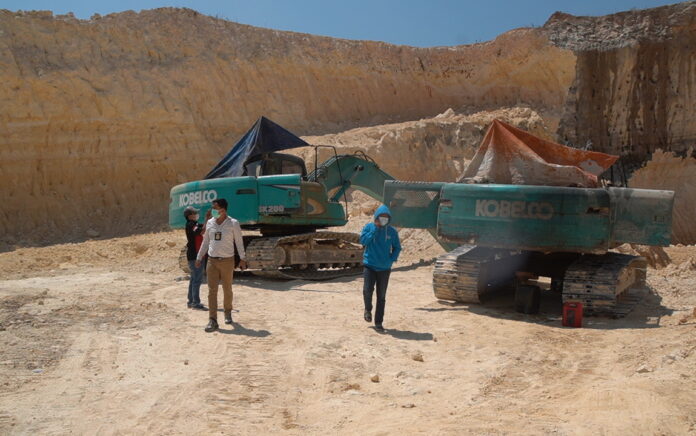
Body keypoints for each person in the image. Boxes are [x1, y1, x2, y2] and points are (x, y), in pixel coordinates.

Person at [196, 198, 247, 332]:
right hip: (212, 261)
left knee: (227, 289)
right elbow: (206, 241)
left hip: (227, 261)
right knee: (212, 291)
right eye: (213, 208)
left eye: (215, 208)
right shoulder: (210, 223)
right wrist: (199, 256)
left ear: (223, 210)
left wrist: (242, 258)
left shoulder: (233, 223)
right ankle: (212, 320)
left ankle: (227, 311)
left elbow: (239, 242)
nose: (213, 211)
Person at [360, 204, 401, 332]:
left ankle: (379, 322)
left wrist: (391, 259)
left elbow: (397, 247)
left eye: (386, 217)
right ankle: (368, 309)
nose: (384, 219)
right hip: (370, 265)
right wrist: (374, 230)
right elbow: (363, 241)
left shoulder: (392, 232)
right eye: (381, 217)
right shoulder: (369, 227)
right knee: (367, 290)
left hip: (384, 268)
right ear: (376, 217)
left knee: (381, 296)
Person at [184, 206, 210, 310]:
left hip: (194, 255)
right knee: (197, 280)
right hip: (195, 256)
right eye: (194, 213)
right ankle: (195, 303)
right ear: (190, 216)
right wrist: (207, 219)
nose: (196, 215)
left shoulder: (194, 224)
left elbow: (203, 227)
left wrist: (206, 219)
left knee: (193, 279)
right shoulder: (190, 225)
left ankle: (191, 301)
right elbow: (202, 231)